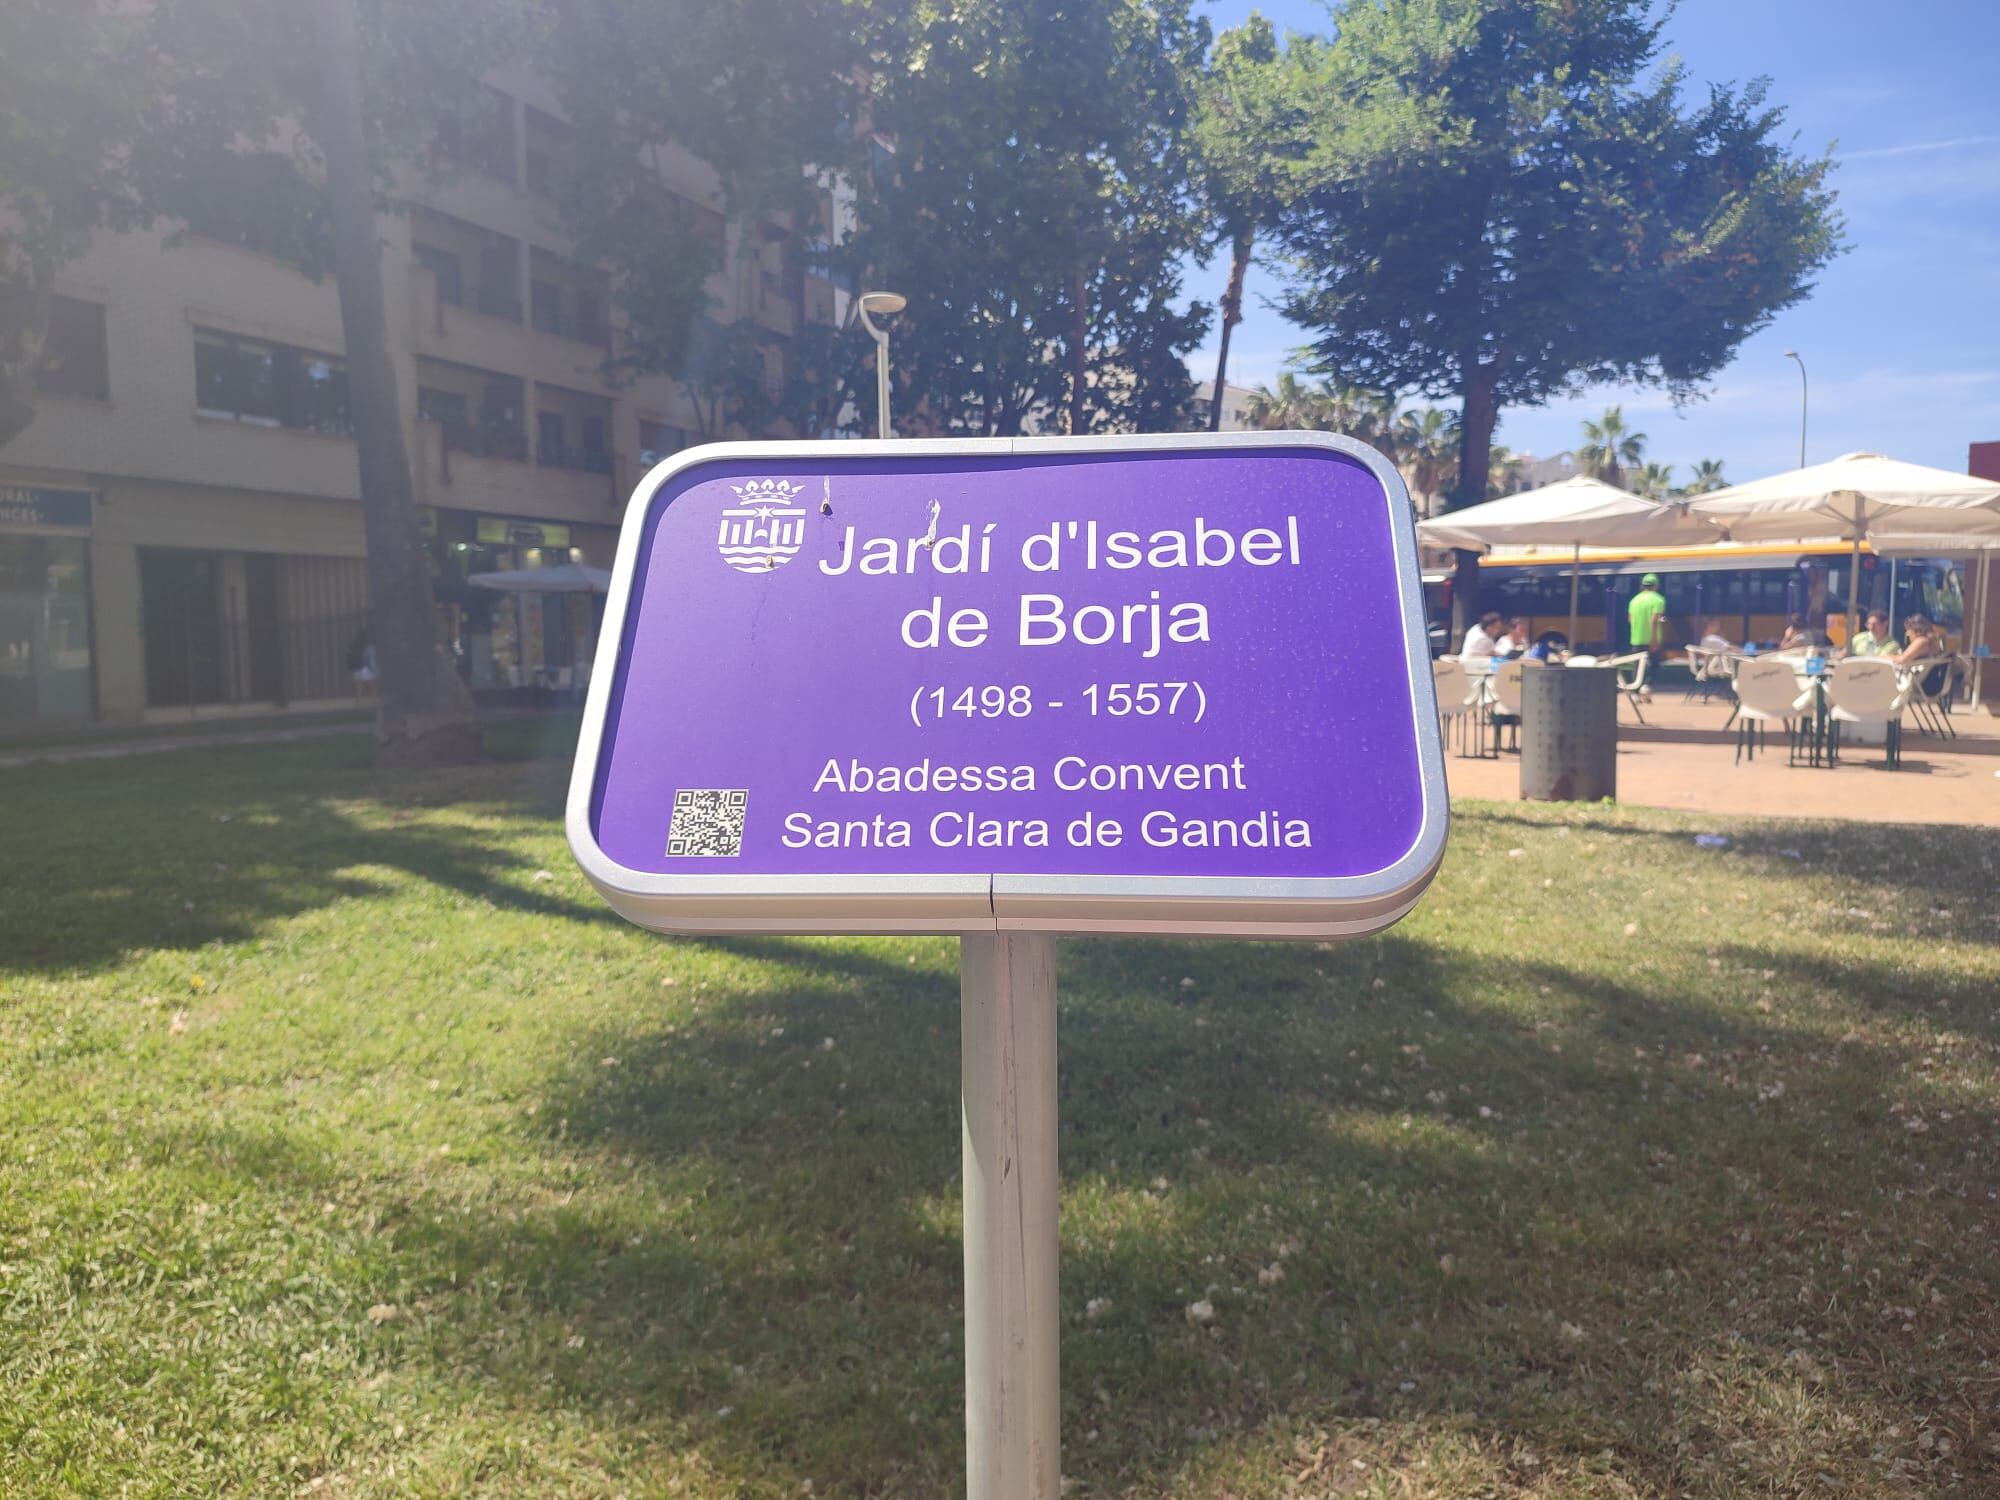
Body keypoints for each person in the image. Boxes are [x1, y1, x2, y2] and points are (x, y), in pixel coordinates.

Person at [1626, 573, 1667, 690]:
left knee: (1637, 666)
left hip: (1636, 638)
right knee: (1655, 665)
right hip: (1651, 639)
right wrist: (1654, 640)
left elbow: (1630, 619)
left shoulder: (1634, 600)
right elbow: (1654, 620)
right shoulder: (1658, 600)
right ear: (1656, 586)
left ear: (1642, 586)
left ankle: (1635, 692)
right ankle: (1647, 686)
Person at [347, 626, 377, 702]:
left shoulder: (354, 645)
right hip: (364, 668)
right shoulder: (367, 646)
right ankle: (373, 698)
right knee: (370, 683)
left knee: (358, 684)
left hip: (356, 668)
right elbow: (369, 660)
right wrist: (373, 670)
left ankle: (358, 700)